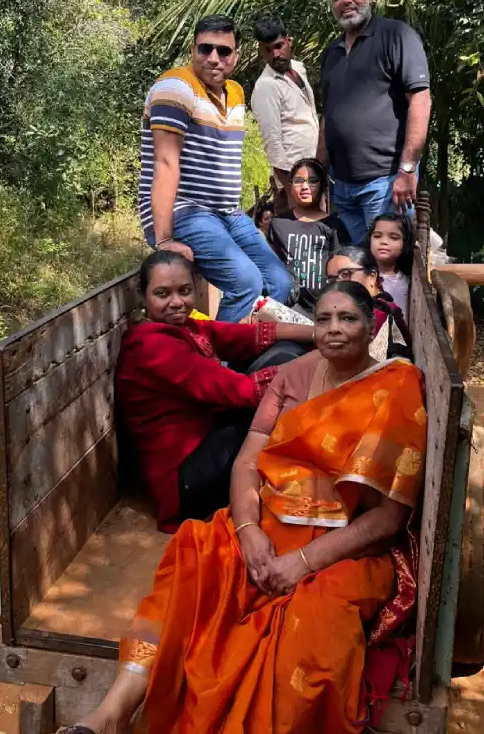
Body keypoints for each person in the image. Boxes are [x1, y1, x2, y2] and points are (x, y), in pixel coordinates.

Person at [61, 282, 428, 734]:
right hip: (268, 524)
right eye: (324, 319)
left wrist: (301, 563)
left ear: (370, 324)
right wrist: (249, 529)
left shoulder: (396, 386)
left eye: (348, 319)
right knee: (192, 562)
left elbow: (388, 519)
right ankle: (110, 714)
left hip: (347, 549)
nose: (334, 329)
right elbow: (247, 461)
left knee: (312, 638)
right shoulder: (293, 376)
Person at [116, 251, 313, 532]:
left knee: (285, 351)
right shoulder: (151, 346)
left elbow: (244, 336)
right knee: (283, 376)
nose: (176, 302)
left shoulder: (185, 327)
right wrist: (317, 362)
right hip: (184, 483)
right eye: (162, 293)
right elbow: (243, 391)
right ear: (143, 295)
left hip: (206, 440)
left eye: (184, 291)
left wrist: (319, 334)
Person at [138, 14, 292, 322]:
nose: (213, 58)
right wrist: (165, 238)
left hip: (227, 213)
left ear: (236, 56)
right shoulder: (176, 88)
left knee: (280, 282)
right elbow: (165, 163)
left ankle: (249, 357)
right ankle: (215, 364)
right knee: (245, 282)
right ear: (192, 50)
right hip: (185, 211)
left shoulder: (235, 93)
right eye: (204, 49)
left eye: (223, 51)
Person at [318, 0, 432, 244]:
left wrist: (407, 170)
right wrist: (318, 174)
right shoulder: (330, 54)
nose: (346, 0)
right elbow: (327, 117)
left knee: (392, 269)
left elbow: (420, 99)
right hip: (341, 187)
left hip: (386, 182)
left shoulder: (396, 36)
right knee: (359, 270)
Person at [250, 17, 320, 215]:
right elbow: (272, 143)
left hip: (314, 174)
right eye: (268, 50)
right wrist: (292, 191)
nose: (275, 54)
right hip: (293, 181)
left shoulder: (299, 69)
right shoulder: (266, 86)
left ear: (289, 41)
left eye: (279, 46)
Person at [267, 158, 351, 314]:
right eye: (298, 181)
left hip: (326, 308)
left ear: (322, 186)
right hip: (287, 309)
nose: (305, 187)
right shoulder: (278, 224)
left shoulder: (333, 225)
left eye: (312, 181)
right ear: (290, 186)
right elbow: (269, 264)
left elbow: (342, 269)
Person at [326, 246, 410, 362]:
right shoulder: (378, 305)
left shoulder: (377, 314)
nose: (338, 285)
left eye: (345, 274)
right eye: (332, 280)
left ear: (371, 277)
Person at [365, 212, 413, 314]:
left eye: (394, 238)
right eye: (377, 236)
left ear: (405, 243)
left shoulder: (408, 282)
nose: (384, 242)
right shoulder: (360, 277)